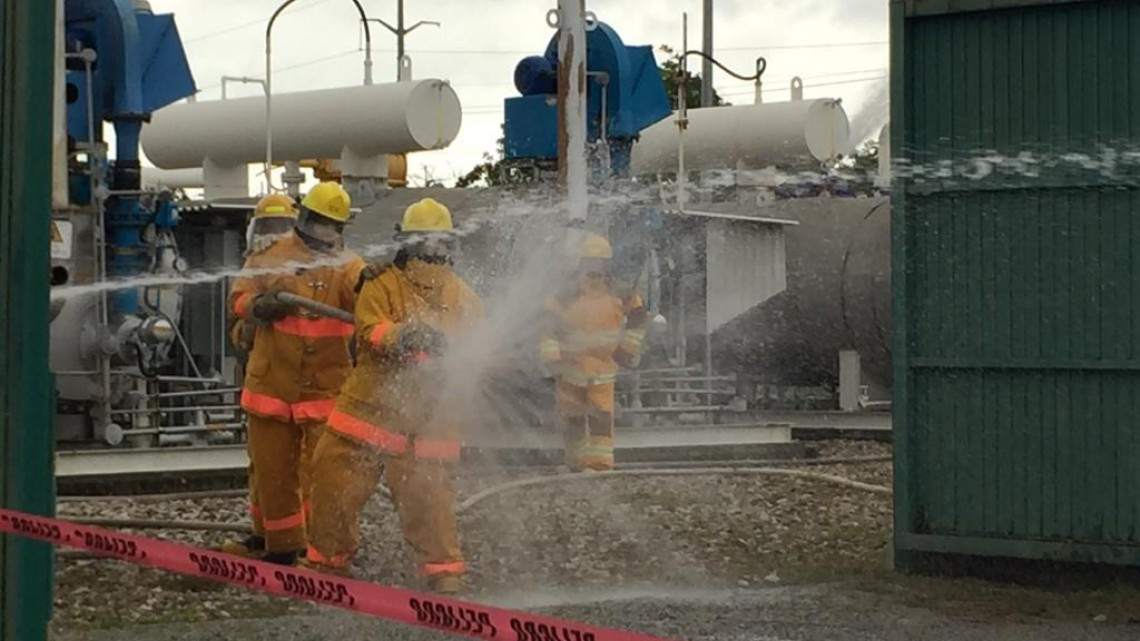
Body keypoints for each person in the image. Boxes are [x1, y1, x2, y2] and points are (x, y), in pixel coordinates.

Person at [303, 197, 484, 594]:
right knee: (359, 486)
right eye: (425, 243)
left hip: (386, 413)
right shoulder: (386, 282)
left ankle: (332, 565)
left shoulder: (421, 289)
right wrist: (406, 335)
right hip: (392, 414)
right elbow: (371, 332)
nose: (428, 252)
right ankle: (440, 571)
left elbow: (473, 350)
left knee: (411, 494)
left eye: (433, 243)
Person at [222, 182, 364, 565]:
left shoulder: (351, 268)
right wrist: (258, 306)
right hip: (271, 389)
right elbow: (238, 298)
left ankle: (329, 552)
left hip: (323, 393)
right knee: (273, 475)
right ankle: (282, 547)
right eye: (317, 223)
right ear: (304, 218)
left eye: (330, 226)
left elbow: (368, 310)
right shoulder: (272, 256)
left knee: (328, 478)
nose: (322, 232)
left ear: (340, 228)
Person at [221, 193, 300, 558]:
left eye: (282, 227)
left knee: (300, 472)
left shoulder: (313, 264)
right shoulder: (255, 264)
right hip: (265, 384)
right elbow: (236, 312)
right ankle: (265, 533)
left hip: (303, 385)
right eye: (268, 227)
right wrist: (254, 316)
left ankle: (302, 543)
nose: (274, 235)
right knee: (264, 468)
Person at [539, 233, 647, 472]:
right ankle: (576, 464)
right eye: (590, 262)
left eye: (599, 262)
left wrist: (627, 349)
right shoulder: (566, 294)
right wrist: (552, 358)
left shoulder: (620, 291)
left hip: (601, 369)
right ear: (582, 263)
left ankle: (599, 466)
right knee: (572, 418)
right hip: (570, 368)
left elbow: (639, 317)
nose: (594, 268)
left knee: (600, 418)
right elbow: (547, 326)